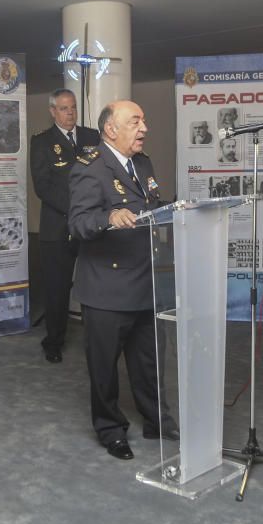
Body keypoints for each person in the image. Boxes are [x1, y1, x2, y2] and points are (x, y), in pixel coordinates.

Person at [68, 100, 178, 460]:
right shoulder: (91, 167)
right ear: (111, 129)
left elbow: (150, 207)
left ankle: (155, 419)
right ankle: (110, 428)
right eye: (135, 121)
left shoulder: (142, 163)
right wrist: (109, 217)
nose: (144, 128)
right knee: (104, 367)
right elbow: (79, 223)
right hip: (107, 288)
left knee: (150, 361)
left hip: (146, 281)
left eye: (144, 120)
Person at [29, 89, 101, 363]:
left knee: (95, 284)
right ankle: (54, 341)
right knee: (56, 288)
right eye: (63, 108)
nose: (70, 113)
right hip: (57, 229)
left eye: (72, 108)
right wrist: (77, 209)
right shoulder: (42, 142)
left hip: (90, 227)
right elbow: (43, 187)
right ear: (52, 111)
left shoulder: (92, 138)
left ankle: (97, 339)